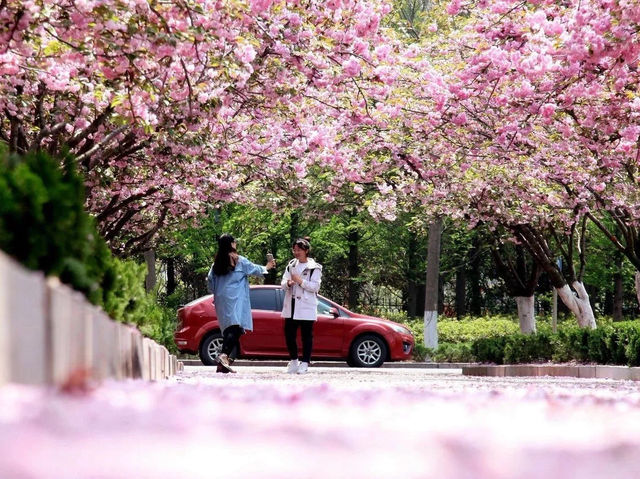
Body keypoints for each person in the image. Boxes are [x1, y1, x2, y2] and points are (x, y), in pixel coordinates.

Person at [207, 233, 276, 373]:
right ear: (231, 244)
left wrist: (218, 291)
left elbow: (209, 281)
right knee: (235, 327)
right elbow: (255, 269)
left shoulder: (216, 263)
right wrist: (268, 266)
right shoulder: (239, 261)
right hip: (235, 298)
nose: (236, 244)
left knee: (230, 328)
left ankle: (224, 363)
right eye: (235, 242)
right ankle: (224, 356)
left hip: (221, 298)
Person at [281, 237, 322, 374]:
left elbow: (315, 287)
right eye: (295, 250)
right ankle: (293, 360)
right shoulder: (291, 265)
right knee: (289, 334)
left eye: (299, 250)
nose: (296, 252)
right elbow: (283, 282)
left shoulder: (314, 268)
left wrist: (300, 281)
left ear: (306, 251)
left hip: (306, 304)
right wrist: (288, 284)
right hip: (291, 303)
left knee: (306, 335)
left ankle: (305, 362)